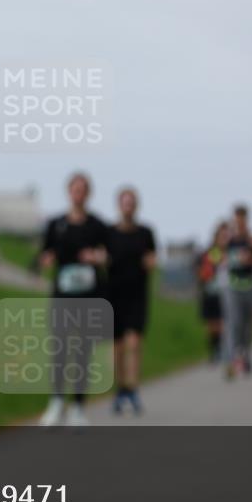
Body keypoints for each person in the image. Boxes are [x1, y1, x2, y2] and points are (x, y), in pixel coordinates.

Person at [38, 172, 109, 426]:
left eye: (83, 189)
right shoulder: (56, 224)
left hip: (89, 296)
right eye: (74, 189)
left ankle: (78, 407)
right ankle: (56, 403)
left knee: (82, 352)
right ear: (68, 192)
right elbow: (43, 254)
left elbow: (108, 255)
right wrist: (46, 259)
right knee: (60, 350)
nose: (78, 193)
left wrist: (98, 257)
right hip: (63, 295)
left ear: (88, 193)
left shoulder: (98, 226)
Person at [107, 187, 157, 415]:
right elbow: (101, 257)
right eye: (124, 202)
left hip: (137, 294)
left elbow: (152, 256)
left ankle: (133, 388)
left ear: (136, 206)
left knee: (134, 343)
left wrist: (151, 262)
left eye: (131, 202)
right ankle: (120, 389)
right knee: (117, 347)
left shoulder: (145, 233)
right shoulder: (109, 233)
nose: (128, 206)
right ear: (119, 205)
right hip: (114, 294)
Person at [222, 204, 252, 380]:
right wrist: (221, 257)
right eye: (237, 219)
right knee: (233, 323)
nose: (239, 222)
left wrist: (251, 257)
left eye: (242, 219)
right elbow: (216, 256)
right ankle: (231, 361)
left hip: (249, 286)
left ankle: (246, 356)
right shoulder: (228, 240)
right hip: (233, 286)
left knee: (247, 325)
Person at [196, 222, 230, 363]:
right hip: (211, 292)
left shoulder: (230, 251)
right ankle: (214, 350)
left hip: (225, 293)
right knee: (212, 324)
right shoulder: (211, 252)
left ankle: (222, 349)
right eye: (222, 236)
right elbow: (204, 272)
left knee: (222, 323)